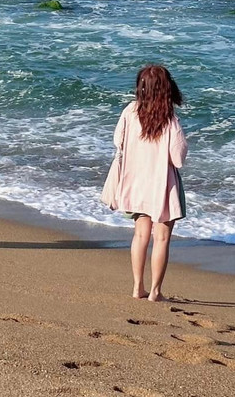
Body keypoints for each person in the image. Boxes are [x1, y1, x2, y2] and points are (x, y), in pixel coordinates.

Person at [101, 64, 187, 301]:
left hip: (135, 181)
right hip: (163, 185)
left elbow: (117, 140)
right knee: (161, 238)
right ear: (167, 88)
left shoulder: (130, 111)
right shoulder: (170, 119)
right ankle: (156, 292)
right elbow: (178, 159)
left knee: (140, 235)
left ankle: (138, 287)